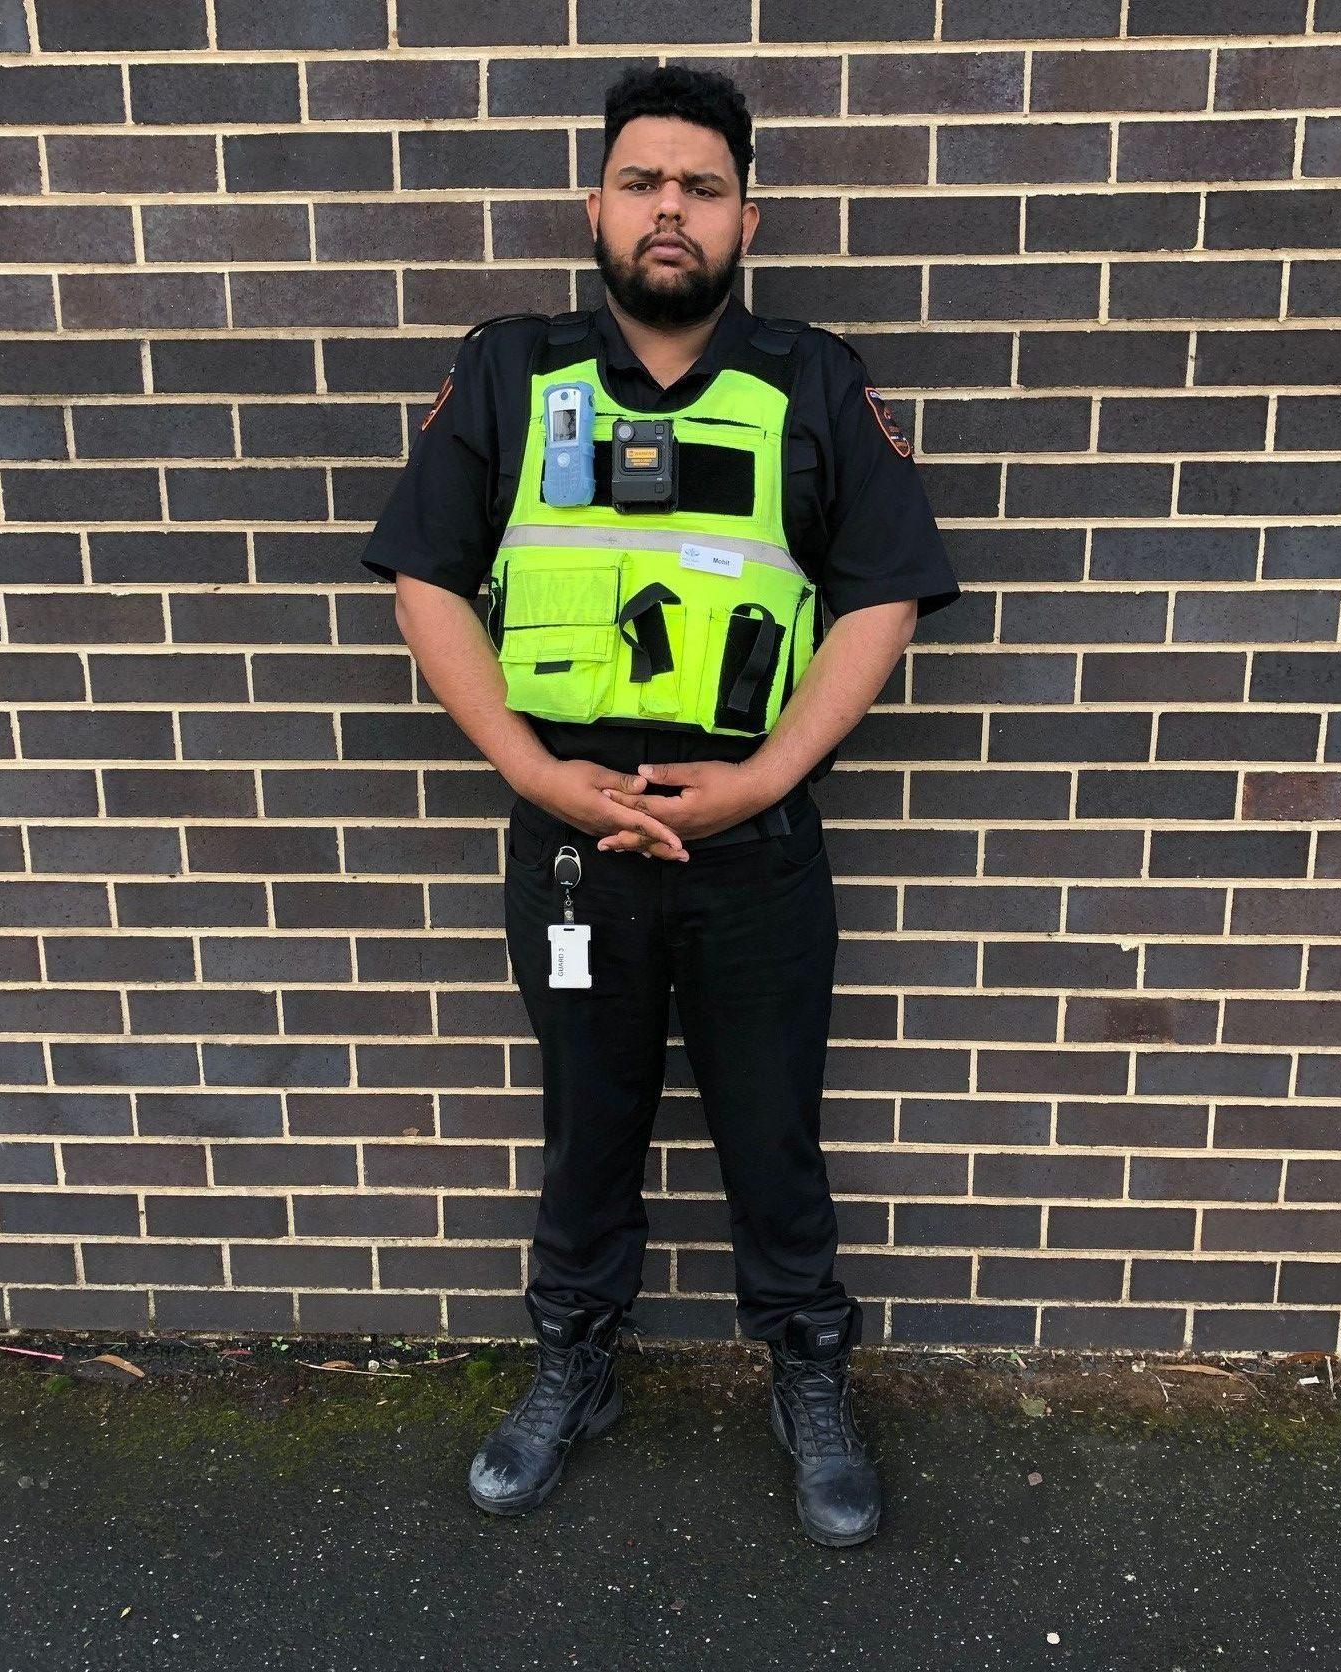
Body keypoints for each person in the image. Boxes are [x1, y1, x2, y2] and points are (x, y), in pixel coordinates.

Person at [360, 65, 961, 1548]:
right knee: (587, 1126)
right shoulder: (509, 372)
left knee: (774, 1133)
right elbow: (429, 583)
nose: (670, 210)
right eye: (644, 182)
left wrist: (762, 778)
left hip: (754, 849)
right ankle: (577, 1364)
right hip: (572, 850)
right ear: (598, 206)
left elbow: (885, 598)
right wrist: (526, 768)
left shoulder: (815, 380)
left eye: (700, 185)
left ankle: (809, 1375)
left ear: (746, 213)